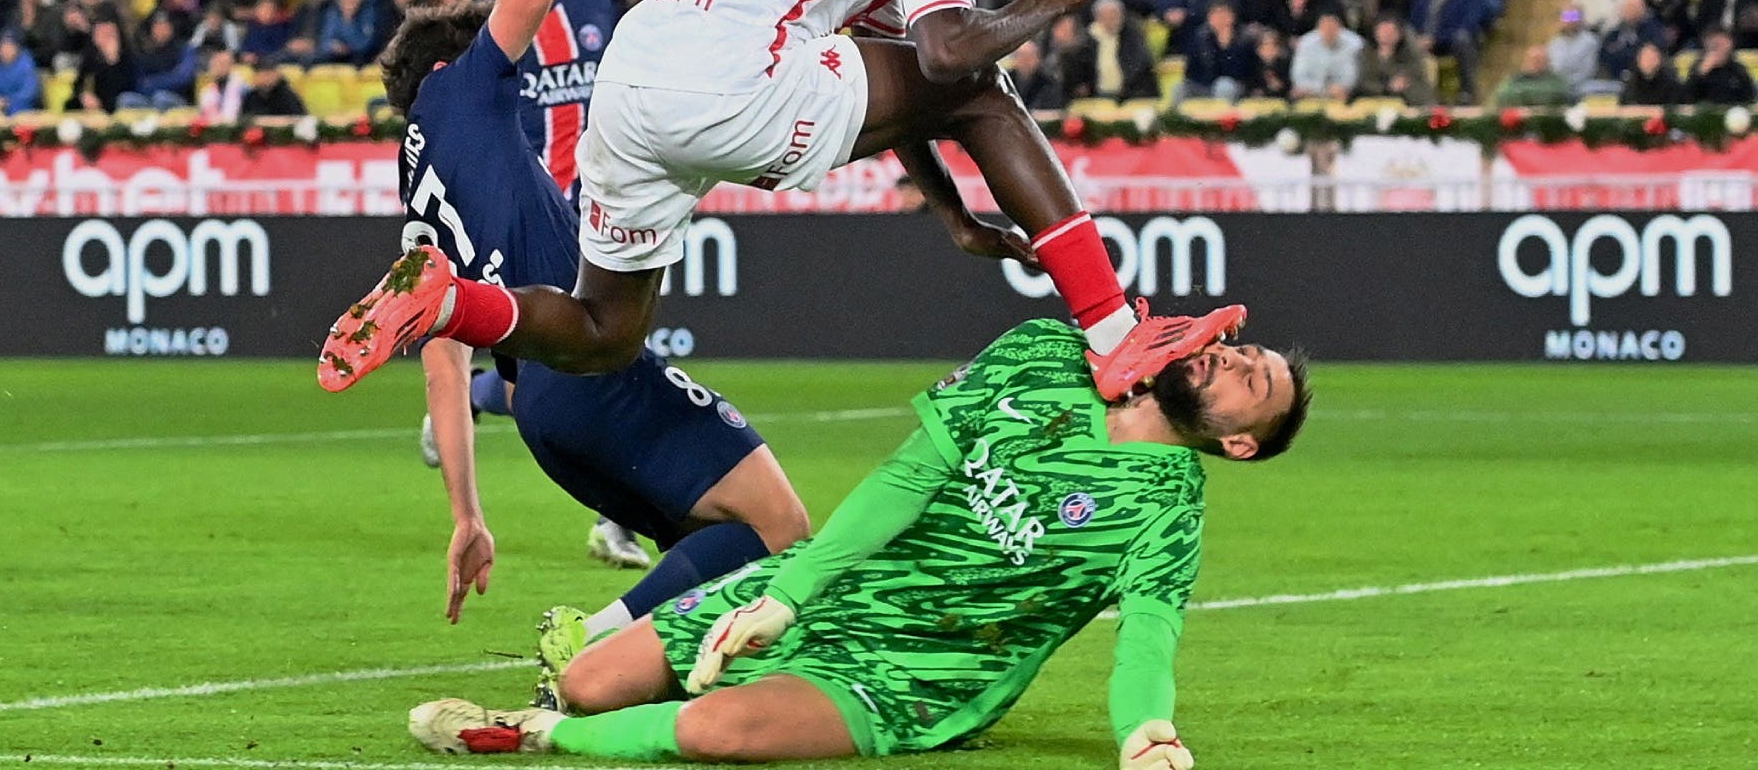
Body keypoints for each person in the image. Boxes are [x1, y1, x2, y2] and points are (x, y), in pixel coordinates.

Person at [319, 0, 1241, 405]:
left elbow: (903, 71)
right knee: (984, 90)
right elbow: (949, 58)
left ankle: (451, 302)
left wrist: (954, 214)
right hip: (730, 78)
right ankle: (1116, 334)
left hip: (634, 78)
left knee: (605, 333)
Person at [407, 315, 1308, 765]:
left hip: (924, 670)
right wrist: (788, 592)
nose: (1233, 360)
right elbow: (907, 479)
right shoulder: (1047, 351)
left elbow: (1147, 634)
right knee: (591, 678)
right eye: (1241, 351)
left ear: (1237, 443)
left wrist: (1147, 732)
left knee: (718, 733)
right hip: (837, 582)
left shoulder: (1167, 507)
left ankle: (531, 735)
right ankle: (570, 706)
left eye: (1253, 383)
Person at [376, 0, 811, 708]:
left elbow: (442, 366)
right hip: (586, 369)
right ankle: (590, 642)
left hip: (543, 418)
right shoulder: (461, 87)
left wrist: (468, 515)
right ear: (455, 64)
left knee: (716, 546)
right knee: (780, 524)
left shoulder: (419, 198)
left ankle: (639, 674)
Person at [414, 0, 644, 571]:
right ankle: (486, 397)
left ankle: (619, 520)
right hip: (522, 224)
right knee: (559, 379)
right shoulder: (482, 36)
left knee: (610, 361)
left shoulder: (597, 5)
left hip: (598, 209)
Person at [1492, 44, 1576, 108]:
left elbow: (1558, 93)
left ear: (1547, 62)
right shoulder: (1515, 79)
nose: (1536, 63)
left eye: (1540, 60)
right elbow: (1503, 94)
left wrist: (1522, 94)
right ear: (1525, 61)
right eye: (1533, 59)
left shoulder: (1556, 80)